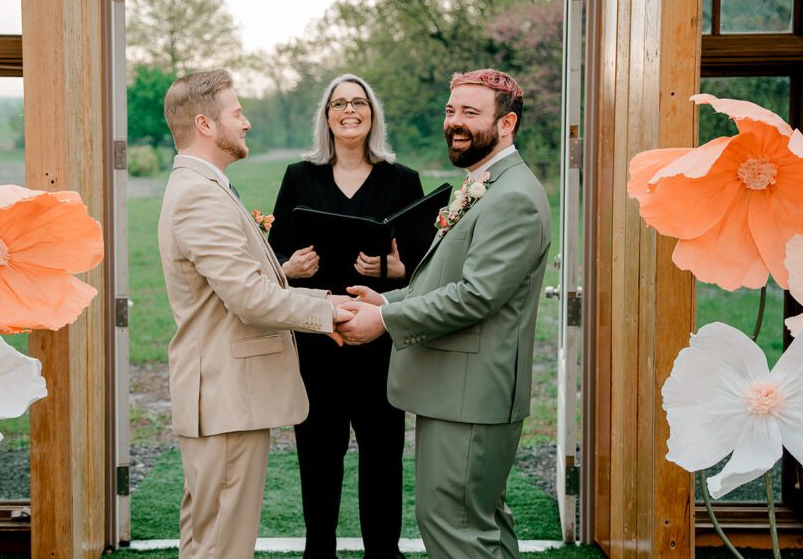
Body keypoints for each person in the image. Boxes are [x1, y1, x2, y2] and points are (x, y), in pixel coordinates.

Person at [337, 68, 551, 559]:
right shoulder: (486, 184)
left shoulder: (512, 196)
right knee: (479, 524)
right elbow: (448, 279)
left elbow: (476, 295)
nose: (455, 122)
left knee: (453, 528)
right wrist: (386, 300)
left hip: (471, 394)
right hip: (459, 392)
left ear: (507, 124)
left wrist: (384, 323)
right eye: (451, 110)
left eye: (470, 113)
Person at [157, 69, 353, 559]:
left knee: (211, 538)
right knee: (221, 545)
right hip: (225, 397)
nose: (246, 124)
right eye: (238, 113)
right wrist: (326, 311)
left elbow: (245, 283)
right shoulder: (199, 194)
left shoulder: (206, 185)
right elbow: (247, 297)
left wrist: (314, 296)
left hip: (227, 398)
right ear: (205, 124)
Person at [268, 74, 428, 559]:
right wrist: (289, 268)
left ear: (372, 114)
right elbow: (273, 258)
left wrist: (400, 269)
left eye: (359, 102)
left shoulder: (403, 180)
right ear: (327, 116)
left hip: (380, 340)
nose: (350, 110)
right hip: (319, 343)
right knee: (318, 456)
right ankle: (319, 551)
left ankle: (384, 552)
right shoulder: (300, 177)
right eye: (340, 103)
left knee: (382, 455)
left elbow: (425, 268)